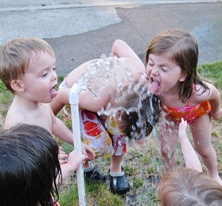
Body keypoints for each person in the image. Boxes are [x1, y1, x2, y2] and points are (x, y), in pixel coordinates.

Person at [51, 39, 160, 194]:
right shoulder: (94, 100)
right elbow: (61, 96)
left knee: (117, 132)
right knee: (98, 143)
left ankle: (115, 168)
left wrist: (113, 64)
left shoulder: (139, 73)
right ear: (113, 104)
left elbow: (118, 44)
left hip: (101, 96)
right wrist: (46, 122)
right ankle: (84, 165)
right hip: (77, 101)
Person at [145, 29, 222, 193]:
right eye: (151, 63)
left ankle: (214, 174)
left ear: (183, 74)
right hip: (169, 114)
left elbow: (214, 94)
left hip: (196, 112)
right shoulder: (154, 86)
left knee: (203, 149)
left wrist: (216, 110)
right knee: (166, 149)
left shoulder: (196, 91)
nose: (153, 72)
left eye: (163, 68)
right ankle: (171, 178)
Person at [0, 37, 95, 166]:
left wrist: (77, 143)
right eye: (44, 74)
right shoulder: (18, 126)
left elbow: (53, 123)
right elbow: (26, 165)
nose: (54, 76)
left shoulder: (41, 102)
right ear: (19, 85)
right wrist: (50, 161)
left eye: (54, 68)